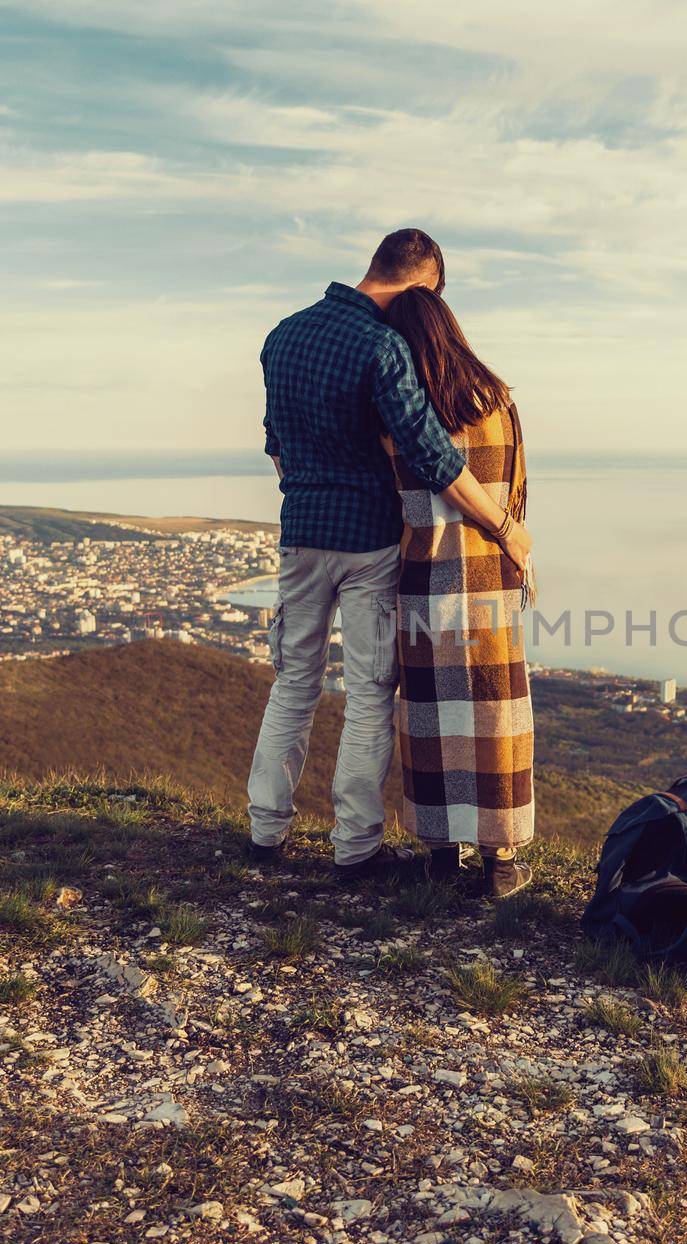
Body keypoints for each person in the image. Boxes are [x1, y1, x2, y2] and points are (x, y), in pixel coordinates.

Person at [246, 229, 532, 882]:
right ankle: (354, 849)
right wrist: (505, 527)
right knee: (370, 694)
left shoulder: (282, 335)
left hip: (300, 534)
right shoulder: (385, 346)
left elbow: (276, 444)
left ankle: (265, 836)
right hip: (370, 542)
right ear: (424, 285)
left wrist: (306, 491)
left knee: (293, 684)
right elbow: (435, 460)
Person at [381, 287, 535, 899]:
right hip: (491, 575)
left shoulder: (401, 414)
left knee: (430, 716)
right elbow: (516, 493)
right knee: (495, 715)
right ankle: (501, 861)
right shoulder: (498, 402)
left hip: (423, 575)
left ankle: (441, 854)